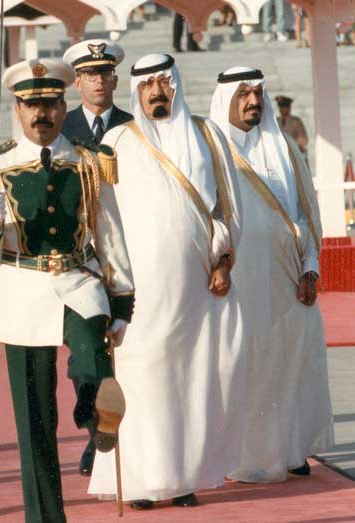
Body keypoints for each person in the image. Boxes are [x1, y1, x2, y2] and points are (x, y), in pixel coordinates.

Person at [0, 58, 135, 523]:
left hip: (80, 282)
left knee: (91, 356)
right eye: (31, 105)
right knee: (34, 418)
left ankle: (96, 414)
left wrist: (122, 301)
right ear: (17, 109)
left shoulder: (87, 161)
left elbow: (111, 232)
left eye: (50, 104)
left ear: (65, 105)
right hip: (23, 290)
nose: (42, 114)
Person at [88, 54, 246, 511]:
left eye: (164, 83)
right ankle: (141, 481)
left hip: (197, 289)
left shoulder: (207, 136)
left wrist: (224, 261)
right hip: (137, 294)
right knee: (141, 382)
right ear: (136, 91)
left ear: (176, 85)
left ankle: (182, 477)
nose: (158, 92)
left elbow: (227, 208)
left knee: (191, 382)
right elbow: (101, 222)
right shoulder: (117, 141)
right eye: (149, 85)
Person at [210, 66, 334, 482]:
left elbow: (306, 213)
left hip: (288, 280)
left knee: (291, 364)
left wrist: (310, 270)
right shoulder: (212, 151)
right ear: (225, 97)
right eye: (243, 94)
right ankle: (239, 456)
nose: (253, 102)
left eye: (257, 93)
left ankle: (291, 450)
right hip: (238, 282)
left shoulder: (284, 148)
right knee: (243, 368)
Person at [61, 38, 133, 476]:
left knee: (131, 352)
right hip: (80, 259)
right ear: (77, 81)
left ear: (116, 78)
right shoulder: (60, 126)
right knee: (85, 355)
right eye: (89, 74)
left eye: (105, 73)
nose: (98, 81)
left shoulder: (134, 125)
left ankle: (133, 436)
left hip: (129, 254)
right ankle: (95, 435)